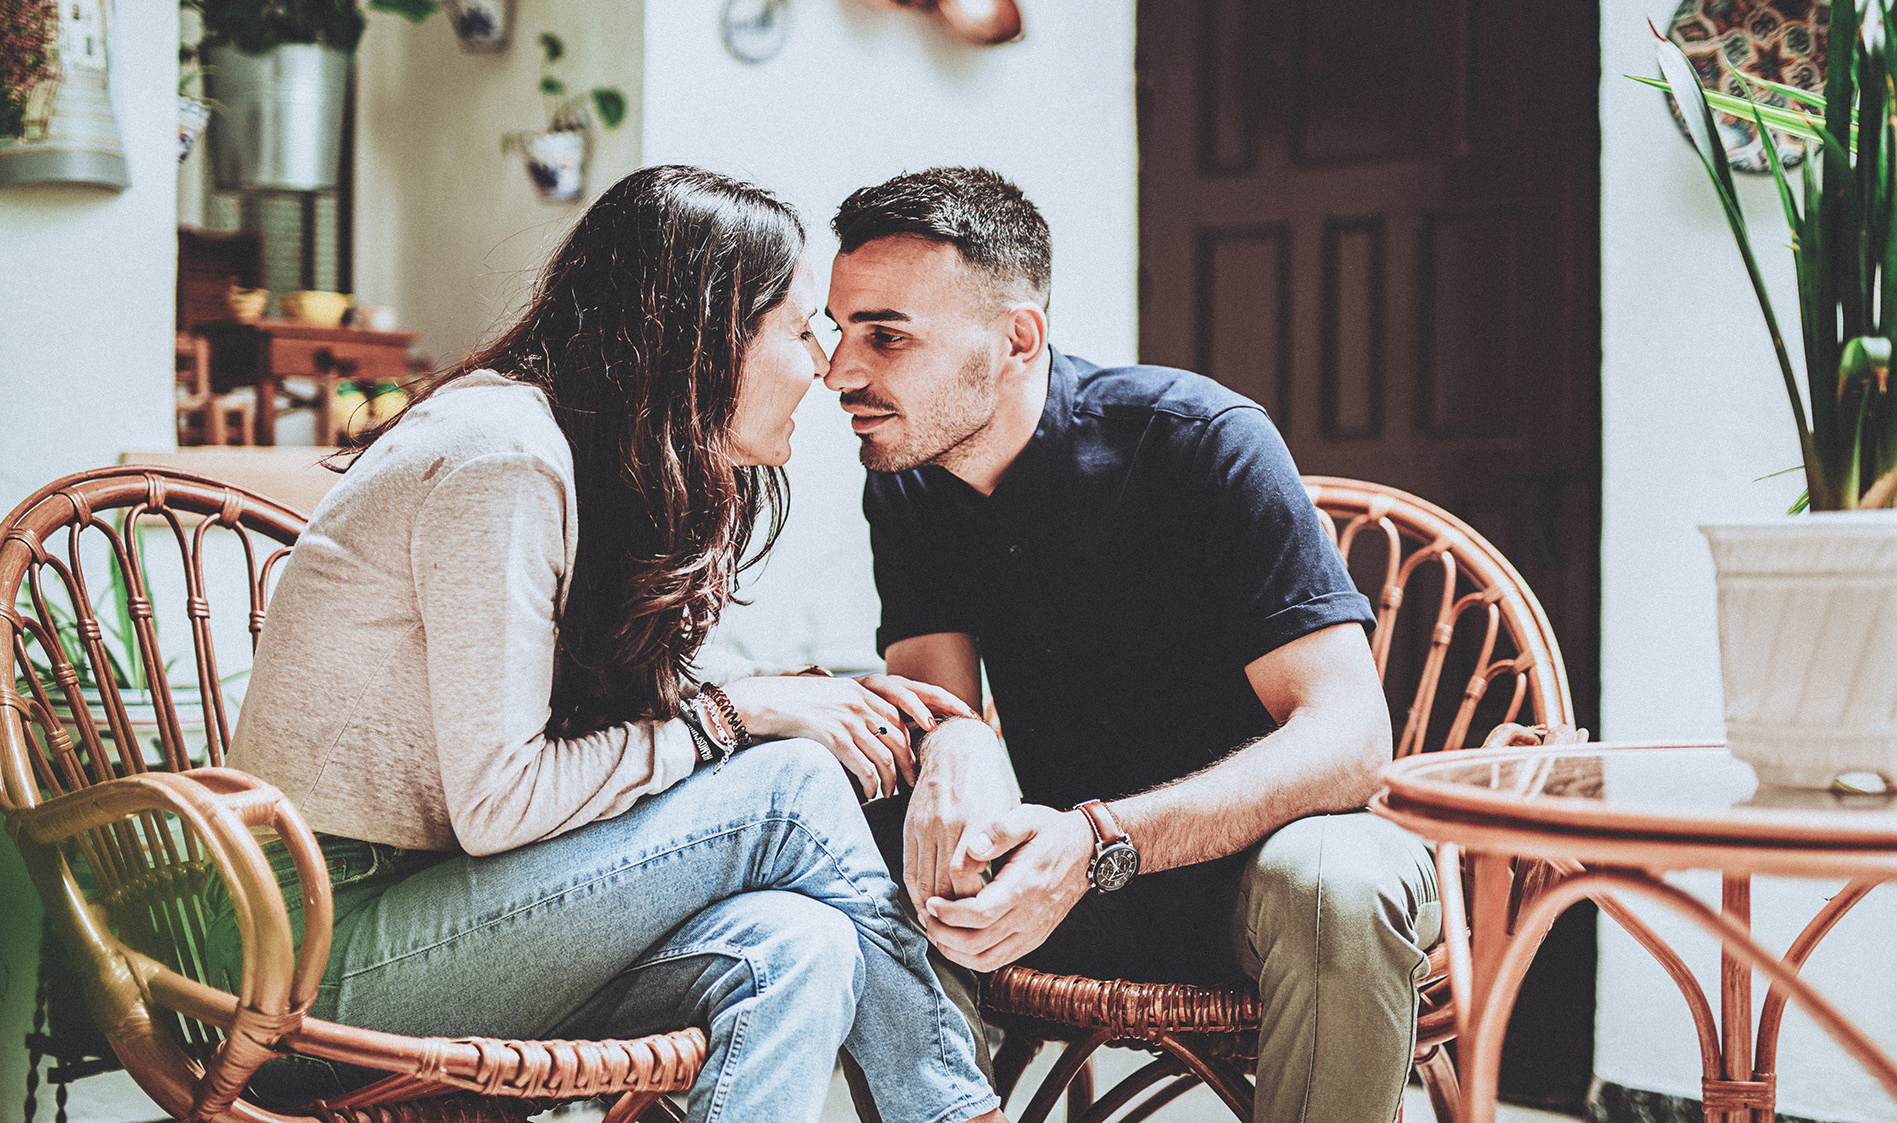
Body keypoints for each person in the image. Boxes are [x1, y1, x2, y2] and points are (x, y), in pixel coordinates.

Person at [213, 165, 1007, 1123]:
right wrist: (733, 716)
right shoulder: (502, 456)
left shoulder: (592, 459)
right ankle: (960, 1112)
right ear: (709, 337)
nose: (829, 364)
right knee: (790, 787)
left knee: (803, 944)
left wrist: (742, 707)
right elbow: (501, 802)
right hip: (312, 953)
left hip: (458, 910)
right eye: (801, 329)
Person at [823, 167, 1440, 1123]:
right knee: (858, 833)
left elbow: (1351, 739)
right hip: (1066, 875)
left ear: (1017, 337)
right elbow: (935, 706)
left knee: (1342, 880)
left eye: (887, 336)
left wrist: (1101, 837)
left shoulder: (1202, 441)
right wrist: (956, 740)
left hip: (1261, 875)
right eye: (839, 329)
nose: (839, 372)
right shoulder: (907, 474)